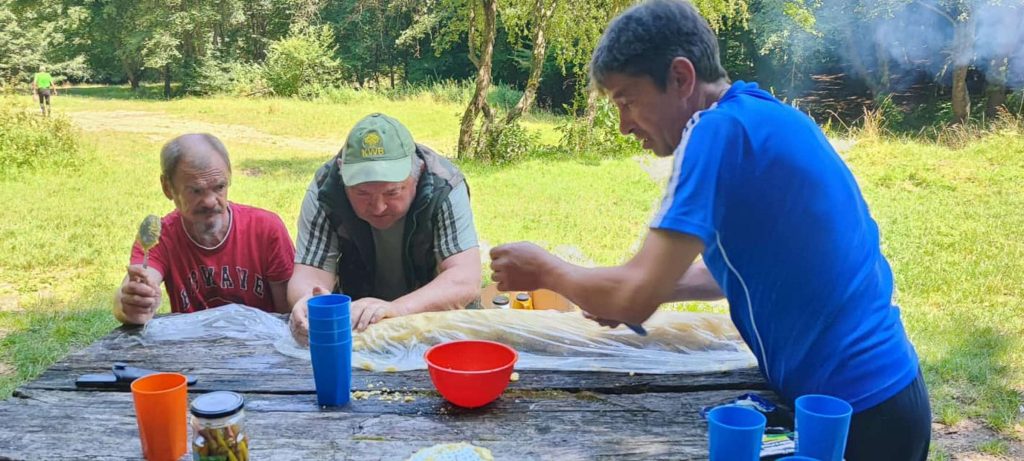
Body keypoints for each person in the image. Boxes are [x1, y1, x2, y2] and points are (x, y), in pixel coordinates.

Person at [488, 1, 930, 460]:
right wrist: (619, 289)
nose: (622, 126)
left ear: (680, 78)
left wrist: (547, 271)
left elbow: (634, 297)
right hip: (884, 401)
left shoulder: (714, 132)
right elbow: (738, 272)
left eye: (627, 101)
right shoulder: (758, 114)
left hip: (854, 414)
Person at [288, 113, 481, 342]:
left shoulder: (445, 184)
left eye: (392, 192)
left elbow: (465, 279)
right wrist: (307, 302)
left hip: (439, 324)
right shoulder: (325, 189)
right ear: (342, 173)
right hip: (358, 328)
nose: (378, 207)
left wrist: (396, 309)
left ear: (417, 172)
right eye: (362, 193)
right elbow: (310, 274)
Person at [114, 133, 295, 325]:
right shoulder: (161, 237)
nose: (209, 201)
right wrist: (133, 304)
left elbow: (288, 313)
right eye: (196, 191)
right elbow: (131, 291)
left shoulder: (266, 229)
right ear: (167, 188)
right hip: (193, 351)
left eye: (219, 187)